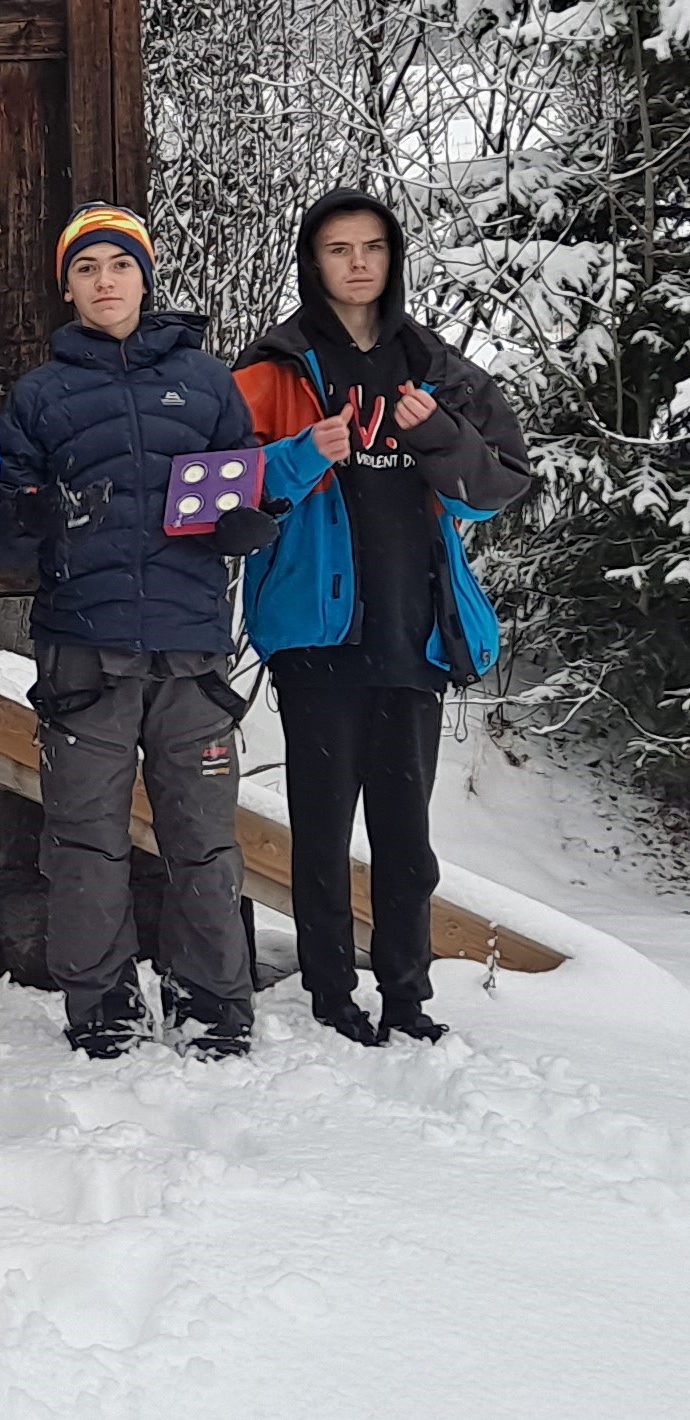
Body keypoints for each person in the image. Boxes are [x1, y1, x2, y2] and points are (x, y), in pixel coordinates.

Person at [233, 189, 530, 1046]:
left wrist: (438, 434)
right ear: (312, 260)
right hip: (317, 639)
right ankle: (331, 994)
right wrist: (298, 455)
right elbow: (218, 498)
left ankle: (407, 997)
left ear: (393, 257)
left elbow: (497, 490)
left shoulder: (440, 370)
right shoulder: (271, 371)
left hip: (416, 631)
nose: (357, 263)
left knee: (408, 839)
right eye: (338, 249)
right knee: (321, 831)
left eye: (372, 247)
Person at [0, 207, 281, 1060]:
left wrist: (247, 523)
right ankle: (102, 1001)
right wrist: (43, 513)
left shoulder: (206, 381)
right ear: (68, 286)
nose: (105, 281)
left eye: (120, 264)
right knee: (84, 840)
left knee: (202, 838)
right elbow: (4, 522)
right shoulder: (40, 394)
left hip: (191, 648)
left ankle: (213, 999)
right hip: (83, 645)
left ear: (146, 277)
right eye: (86, 269)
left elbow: (248, 483)